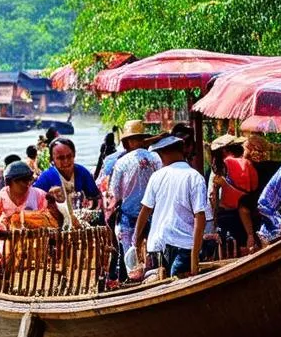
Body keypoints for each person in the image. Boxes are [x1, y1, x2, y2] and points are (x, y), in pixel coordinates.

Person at [133, 134, 210, 278]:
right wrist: (194, 256)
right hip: (183, 246)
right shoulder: (194, 177)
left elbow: (145, 211)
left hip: (160, 246)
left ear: (163, 154)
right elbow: (200, 217)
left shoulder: (157, 176)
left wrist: (136, 241)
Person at [0, 161, 58, 266]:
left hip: (34, 243)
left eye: (29, 179)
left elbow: (54, 220)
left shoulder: (39, 195)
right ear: (9, 182)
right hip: (5, 242)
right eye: (23, 181)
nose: (28, 184)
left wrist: (54, 203)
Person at [109, 119, 162, 253]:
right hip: (153, 212)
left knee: (130, 254)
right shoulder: (155, 158)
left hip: (129, 213)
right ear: (142, 139)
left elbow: (115, 193)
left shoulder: (121, 162)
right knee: (154, 252)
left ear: (128, 141)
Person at [209, 135, 258, 252]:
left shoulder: (223, 165)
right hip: (247, 213)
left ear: (224, 151)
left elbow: (212, 195)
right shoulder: (248, 163)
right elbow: (254, 186)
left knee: (230, 248)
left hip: (227, 214)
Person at [34, 137, 101, 210]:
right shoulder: (45, 178)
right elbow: (35, 203)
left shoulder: (83, 172)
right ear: (52, 159)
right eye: (60, 158)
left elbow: (95, 197)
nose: (66, 161)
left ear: (74, 154)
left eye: (69, 156)